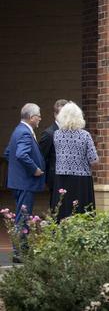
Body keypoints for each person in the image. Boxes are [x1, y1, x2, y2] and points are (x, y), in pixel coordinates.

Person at [4, 103, 45, 262]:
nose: (40, 118)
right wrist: (34, 169)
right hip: (25, 183)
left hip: (19, 181)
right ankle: (19, 253)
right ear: (31, 117)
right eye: (39, 115)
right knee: (23, 216)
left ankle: (22, 250)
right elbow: (21, 154)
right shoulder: (25, 133)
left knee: (22, 215)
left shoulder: (18, 130)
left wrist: (16, 171)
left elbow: (8, 153)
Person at [51, 102, 99, 220]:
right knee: (81, 211)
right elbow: (93, 160)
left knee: (63, 209)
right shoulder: (85, 135)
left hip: (61, 178)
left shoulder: (56, 134)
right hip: (81, 179)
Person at [38, 99, 68, 205]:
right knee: (56, 207)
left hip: (68, 176)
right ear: (55, 114)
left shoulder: (70, 131)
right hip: (55, 177)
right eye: (62, 114)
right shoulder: (49, 133)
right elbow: (41, 156)